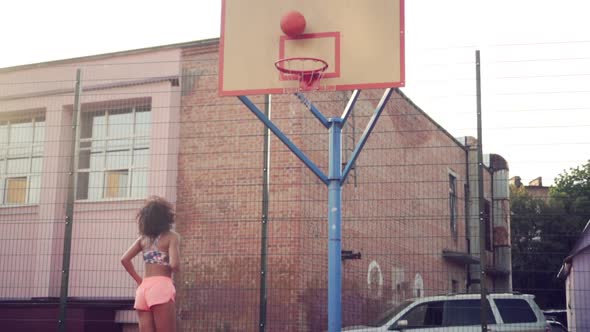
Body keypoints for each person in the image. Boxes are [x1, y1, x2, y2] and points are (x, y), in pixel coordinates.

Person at [121, 196, 180, 332]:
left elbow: (124, 259)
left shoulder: (143, 239)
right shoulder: (172, 236)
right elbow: (175, 264)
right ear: (166, 217)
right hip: (162, 287)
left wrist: (139, 281)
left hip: (143, 290)